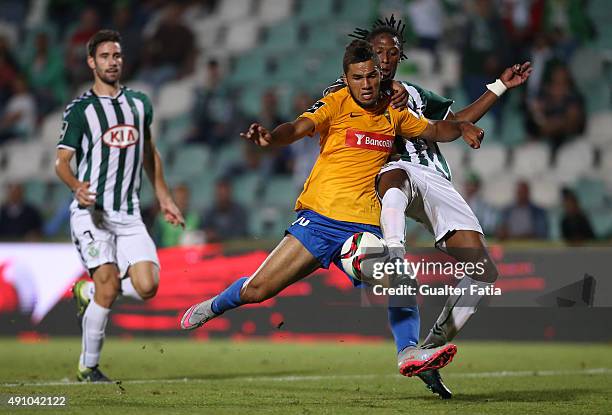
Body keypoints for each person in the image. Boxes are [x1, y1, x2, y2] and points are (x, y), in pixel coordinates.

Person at [181, 40, 485, 380]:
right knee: (257, 290)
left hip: (363, 226)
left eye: (371, 76)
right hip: (319, 220)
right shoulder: (335, 104)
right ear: (346, 78)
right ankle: (212, 306)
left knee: (400, 278)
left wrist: (461, 127)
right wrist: (271, 138)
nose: (366, 84)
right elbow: (297, 128)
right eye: (358, 78)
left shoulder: (393, 112)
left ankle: (408, 352)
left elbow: (435, 129)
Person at [341, 16, 531, 398]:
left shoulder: (414, 93)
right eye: (378, 52)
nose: (385, 59)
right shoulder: (354, 92)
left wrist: (499, 86)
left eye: (393, 53)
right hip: (395, 173)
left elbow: (457, 120)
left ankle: (427, 349)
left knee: (482, 272)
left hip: (437, 181)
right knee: (395, 174)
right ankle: (395, 254)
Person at [55, 30, 184, 382]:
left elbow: (148, 152)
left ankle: (89, 291)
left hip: (128, 213)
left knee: (148, 285)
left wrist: (163, 195)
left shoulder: (140, 103)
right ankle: (88, 366)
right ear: (91, 62)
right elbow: (61, 162)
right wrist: (76, 186)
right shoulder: (80, 110)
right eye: (105, 56)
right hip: (92, 214)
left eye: (117, 55)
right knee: (111, 284)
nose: (113, 62)